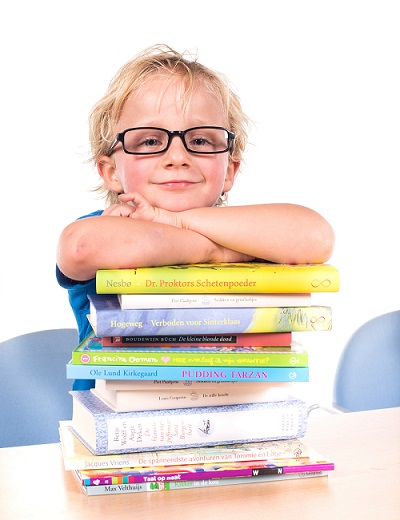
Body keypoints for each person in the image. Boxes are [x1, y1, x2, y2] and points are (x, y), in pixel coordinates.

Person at [56, 44, 335, 390]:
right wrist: (216, 251)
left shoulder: (246, 231)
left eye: (201, 140)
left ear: (230, 169)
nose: (177, 156)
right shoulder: (115, 223)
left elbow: (316, 236)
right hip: (122, 428)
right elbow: (82, 246)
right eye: (148, 141)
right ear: (111, 171)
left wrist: (180, 222)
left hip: (240, 422)